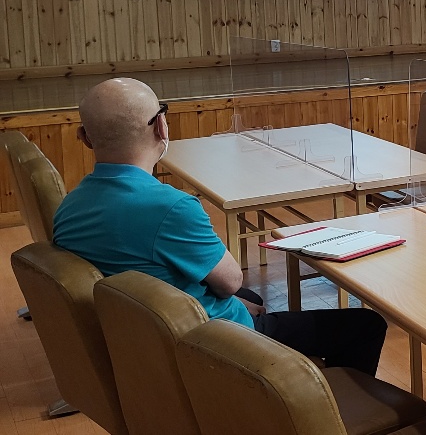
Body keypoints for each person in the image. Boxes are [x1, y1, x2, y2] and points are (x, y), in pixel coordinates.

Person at [50, 78, 389, 374]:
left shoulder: (70, 207)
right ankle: (323, 410)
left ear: (85, 137)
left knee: (250, 296)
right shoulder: (171, 207)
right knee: (365, 325)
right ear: (160, 127)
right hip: (210, 342)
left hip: (142, 336)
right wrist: (235, 304)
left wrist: (236, 300)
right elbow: (230, 281)